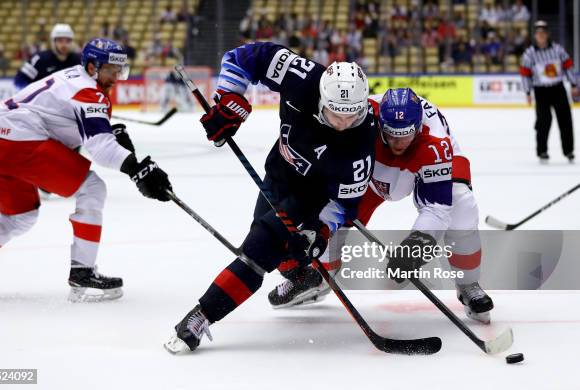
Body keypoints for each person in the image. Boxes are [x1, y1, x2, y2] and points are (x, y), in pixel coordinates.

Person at [164, 42, 377, 353]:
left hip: (311, 196)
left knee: (258, 249)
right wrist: (229, 100)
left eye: (351, 115)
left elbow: (344, 204)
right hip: (278, 174)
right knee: (279, 246)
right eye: (335, 114)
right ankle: (304, 277)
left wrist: (320, 232)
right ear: (321, 99)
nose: (344, 124)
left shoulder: (361, 142)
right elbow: (242, 58)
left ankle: (201, 315)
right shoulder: (302, 76)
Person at [0, 38, 173, 301]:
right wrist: (138, 169)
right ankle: (83, 272)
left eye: (120, 70)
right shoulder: (89, 92)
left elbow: (69, 122)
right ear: (91, 67)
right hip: (17, 141)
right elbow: (101, 148)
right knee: (93, 188)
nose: (117, 77)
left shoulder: (75, 78)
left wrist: (110, 131)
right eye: (111, 69)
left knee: (19, 217)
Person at [268, 88, 494, 324]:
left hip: (425, 160)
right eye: (392, 135)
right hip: (372, 167)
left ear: (418, 128)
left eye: (405, 135)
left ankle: (469, 284)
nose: (398, 143)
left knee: (461, 206)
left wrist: (416, 247)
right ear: (379, 124)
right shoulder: (357, 119)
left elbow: (436, 208)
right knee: (326, 212)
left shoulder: (435, 142)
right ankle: (321, 275)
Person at [520, 20, 578, 163]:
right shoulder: (529, 54)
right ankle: (542, 151)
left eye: (543, 33)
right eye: (538, 33)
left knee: (565, 120)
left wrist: (573, 84)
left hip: (558, 88)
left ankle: (569, 151)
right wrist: (527, 92)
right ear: (535, 35)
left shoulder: (558, 50)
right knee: (543, 121)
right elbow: (525, 74)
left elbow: (568, 66)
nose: (541, 36)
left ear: (547, 34)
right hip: (541, 91)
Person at [14, 24, 81, 90]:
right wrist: (34, 92)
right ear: (53, 42)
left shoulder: (78, 60)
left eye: (68, 41)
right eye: (60, 40)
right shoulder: (39, 59)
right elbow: (19, 81)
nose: (64, 45)